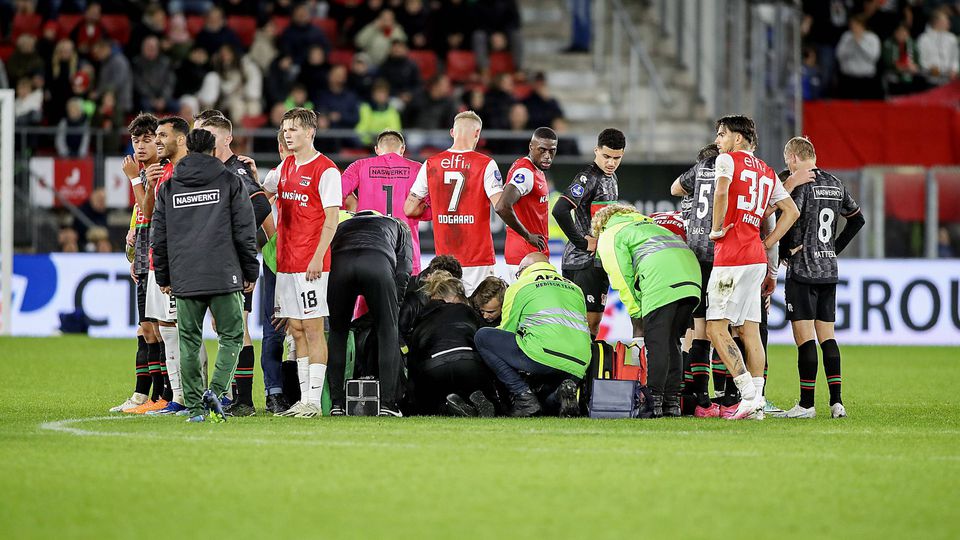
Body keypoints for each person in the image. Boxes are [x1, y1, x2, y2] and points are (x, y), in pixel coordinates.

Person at [152, 129, 259, 423]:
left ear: (188, 150)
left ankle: (197, 411)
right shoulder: (229, 182)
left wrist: (163, 276)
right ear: (213, 150)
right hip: (225, 276)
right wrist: (251, 270)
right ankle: (216, 390)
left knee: (188, 342)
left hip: (185, 277)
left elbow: (157, 236)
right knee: (232, 337)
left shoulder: (170, 187)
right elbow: (245, 232)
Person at [706, 115, 799, 420]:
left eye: (722, 134)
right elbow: (791, 211)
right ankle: (756, 401)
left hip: (731, 258)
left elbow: (721, 192)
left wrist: (717, 228)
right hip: (756, 258)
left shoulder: (726, 161)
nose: (718, 140)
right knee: (750, 330)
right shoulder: (768, 172)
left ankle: (746, 392)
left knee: (716, 327)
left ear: (738, 139)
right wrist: (768, 242)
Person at [778, 137, 865, 419]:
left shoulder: (801, 183)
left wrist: (782, 248)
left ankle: (806, 405)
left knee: (805, 339)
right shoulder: (835, 182)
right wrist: (833, 249)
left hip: (803, 269)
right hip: (828, 271)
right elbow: (857, 219)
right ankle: (837, 403)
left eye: (786, 160)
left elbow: (789, 216)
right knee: (828, 338)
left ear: (793, 158)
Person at [194, 111, 273, 416]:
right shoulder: (215, 169)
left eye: (208, 135)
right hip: (225, 259)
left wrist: (237, 239)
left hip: (234, 260)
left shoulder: (235, 171)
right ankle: (236, 395)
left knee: (236, 326)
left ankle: (244, 400)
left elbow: (260, 203)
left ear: (227, 139)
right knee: (225, 325)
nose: (201, 140)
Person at [592, 204, 701, 417]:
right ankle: (672, 403)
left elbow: (621, 277)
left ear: (601, 225)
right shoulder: (647, 225)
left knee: (656, 342)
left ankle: (653, 403)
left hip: (662, 279)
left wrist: (636, 311)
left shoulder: (610, 234)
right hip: (692, 278)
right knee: (672, 342)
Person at [273, 108, 342, 419]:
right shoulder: (286, 165)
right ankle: (304, 399)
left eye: (294, 129)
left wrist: (318, 257)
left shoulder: (326, 170)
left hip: (310, 263)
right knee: (296, 329)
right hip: (286, 262)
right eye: (286, 129)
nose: (288, 134)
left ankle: (314, 400)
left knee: (313, 329)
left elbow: (331, 220)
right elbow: (265, 188)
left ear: (310, 133)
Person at [475, 252, 591, 417]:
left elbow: (508, 330)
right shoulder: (575, 288)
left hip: (542, 355)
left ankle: (523, 396)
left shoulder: (520, 285)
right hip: (579, 362)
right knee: (545, 402)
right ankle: (561, 394)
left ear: (523, 270)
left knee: (483, 337)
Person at [403, 111, 504, 295]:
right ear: (477, 133)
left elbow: (409, 208)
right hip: (477, 256)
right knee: (479, 310)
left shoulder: (431, 163)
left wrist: (435, 204)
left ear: (452, 132)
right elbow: (500, 206)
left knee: (447, 309)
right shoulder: (485, 164)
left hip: (445, 258)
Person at [326, 211, 413, 417]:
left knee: (338, 332)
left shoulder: (342, 226)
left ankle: (337, 404)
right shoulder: (399, 226)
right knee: (387, 331)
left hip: (340, 266)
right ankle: (387, 404)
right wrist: (395, 305)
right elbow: (404, 269)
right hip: (376, 263)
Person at [110, 113, 164, 413]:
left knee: (157, 328)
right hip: (144, 252)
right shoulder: (145, 173)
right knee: (145, 329)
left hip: (157, 254)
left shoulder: (156, 172)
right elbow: (140, 215)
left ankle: (159, 395)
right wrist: (133, 244)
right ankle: (144, 394)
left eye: (147, 140)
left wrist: (133, 178)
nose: (141, 146)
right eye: (136, 140)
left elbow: (150, 208)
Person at [552, 128, 626, 338]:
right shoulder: (588, 177)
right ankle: (578, 371)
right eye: (606, 157)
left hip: (594, 262)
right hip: (583, 262)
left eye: (616, 158)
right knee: (586, 326)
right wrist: (583, 243)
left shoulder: (611, 177)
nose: (611, 162)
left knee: (589, 327)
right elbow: (560, 210)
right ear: (596, 151)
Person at [142, 116, 191, 415]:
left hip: (180, 262)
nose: (157, 140)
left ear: (181, 139)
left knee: (185, 329)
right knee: (165, 328)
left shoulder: (189, 171)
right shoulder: (161, 171)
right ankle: (178, 397)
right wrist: (148, 185)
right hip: (156, 260)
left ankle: (192, 396)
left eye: (163, 135)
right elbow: (148, 217)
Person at [407, 271, 499, 417]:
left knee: (432, 407)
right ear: (455, 296)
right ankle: (474, 399)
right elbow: (487, 342)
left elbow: (413, 362)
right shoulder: (467, 311)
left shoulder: (420, 320)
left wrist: (413, 400)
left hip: (434, 368)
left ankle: (447, 407)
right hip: (469, 363)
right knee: (483, 395)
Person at [341, 130, 427, 273]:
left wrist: (354, 206)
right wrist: (416, 211)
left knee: (369, 292)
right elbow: (430, 208)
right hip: (406, 247)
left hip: (369, 244)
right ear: (403, 149)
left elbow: (336, 194)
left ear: (377, 149)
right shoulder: (417, 169)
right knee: (407, 293)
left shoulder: (360, 165)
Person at [258, 130, 294, 414]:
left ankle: (283, 392)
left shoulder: (319, 168)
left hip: (302, 258)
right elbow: (258, 204)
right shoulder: (277, 174)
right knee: (277, 328)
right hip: (279, 260)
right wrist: (274, 238)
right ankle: (276, 392)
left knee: (286, 328)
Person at [496, 127, 557, 280]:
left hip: (531, 253)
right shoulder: (525, 172)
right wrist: (527, 235)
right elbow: (502, 206)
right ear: (531, 147)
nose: (547, 156)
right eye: (542, 150)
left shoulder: (534, 169)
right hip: (525, 256)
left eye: (552, 151)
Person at [835, 15, 882, 99]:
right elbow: (839, 55)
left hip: (866, 80)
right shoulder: (846, 37)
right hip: (848, 79)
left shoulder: (872, 38)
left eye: (856, 25)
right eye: (852, 25)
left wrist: (860, 43)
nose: (854, 27)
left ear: (862, 25)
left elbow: (874, 57)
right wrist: (853, 43)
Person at [917, 9, 960, 87]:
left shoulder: (952, 38)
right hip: (929, 79)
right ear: (936, 22)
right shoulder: (923, 39)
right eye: (946, 21)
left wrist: (954, 69)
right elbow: (921, 59)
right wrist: (930, 68)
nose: (948, 23)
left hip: (949, 79)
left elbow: (955, 58)